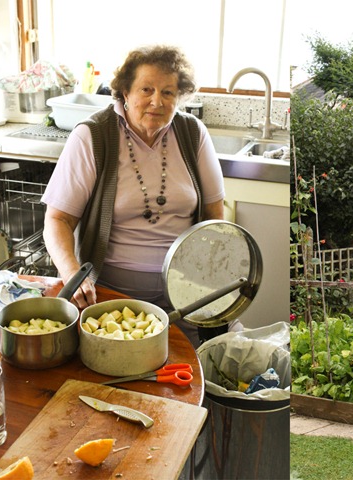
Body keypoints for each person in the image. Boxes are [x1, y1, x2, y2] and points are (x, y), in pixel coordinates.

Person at [42, 45, 226, 347]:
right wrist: (73, 275)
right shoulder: (93, 136)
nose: (157, 101)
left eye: (168, 92)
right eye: (147, 89)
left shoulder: (193, 133)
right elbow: (57, 219)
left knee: (192, 370)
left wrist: (207, 277)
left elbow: (214, 215)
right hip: (111, 297)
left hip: (184, 296)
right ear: (125, 92)